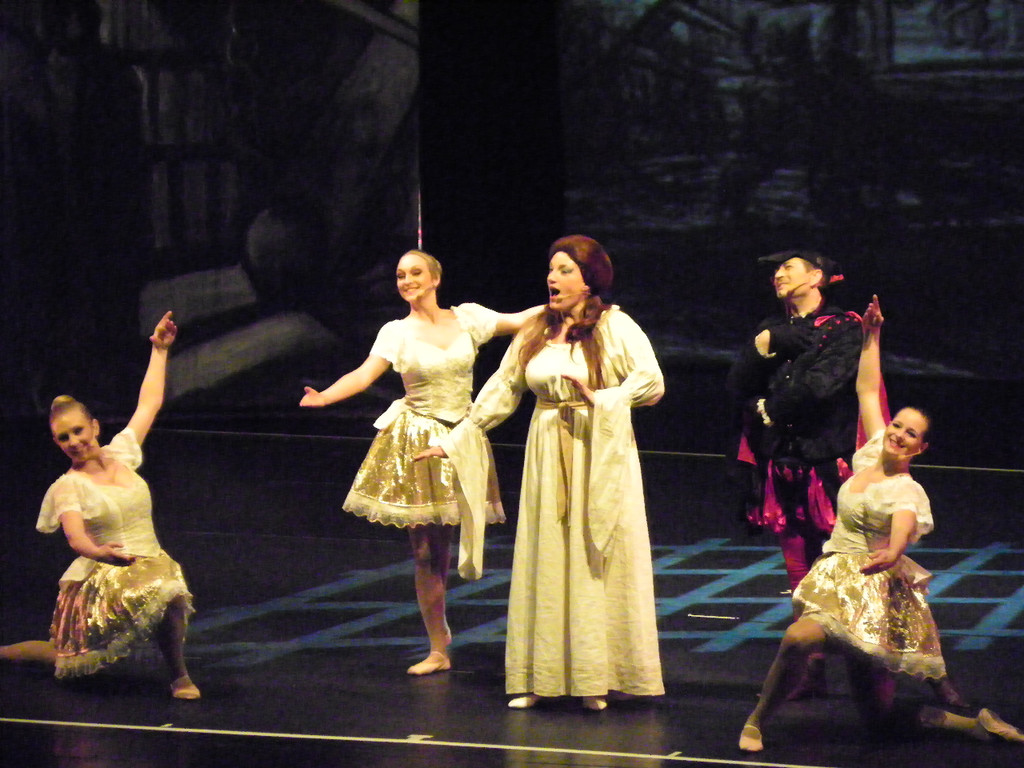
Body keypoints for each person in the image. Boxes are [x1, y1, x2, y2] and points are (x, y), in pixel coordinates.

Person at [737, 296, 1024, 752]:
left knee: (880, 719)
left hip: (873, 592)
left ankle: (974, 725)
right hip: (838, 578)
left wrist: (893, 550)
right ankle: (756, 723)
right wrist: (872, 335)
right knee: (797, 638)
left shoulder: (906, 491)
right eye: (898, 425)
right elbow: (868, 390)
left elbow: (903, 528)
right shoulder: (870, 452)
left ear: (920, 448)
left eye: (911, 433)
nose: (898, 433)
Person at [417, 235, 665, 711]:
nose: (553, 278)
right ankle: (542, 675)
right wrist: (455, 439)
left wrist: (604, 399)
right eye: (551, 269)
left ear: (589, 279)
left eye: (565, 270)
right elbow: (502, 389)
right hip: (547, 448)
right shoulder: (536, 328)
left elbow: (651, 381)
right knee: (546, 553)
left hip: (597, 447)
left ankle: (595, 677)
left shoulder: (615, 325)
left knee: (593, 555)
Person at [299, 249, 542, 676]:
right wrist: (325, 396)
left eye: (415, 273)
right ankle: (437, 645)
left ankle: (457, 631)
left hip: (461, 436)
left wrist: (571, 302)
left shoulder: (468, 318)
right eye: (400, 275)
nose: (407, 280)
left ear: (434, 279)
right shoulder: (395, 332)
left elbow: (520, 319)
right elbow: (364, 374)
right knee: (427, 550)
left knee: (451, 542)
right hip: (416, 439)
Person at [0, 312, 200, 700]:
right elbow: (76, 538)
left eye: (78, 431)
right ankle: (5, 652)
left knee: (171, 591)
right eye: (63, 438)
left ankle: (179, 676)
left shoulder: (121, 453)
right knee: (60, 658)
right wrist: (101, 553)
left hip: (150, 564)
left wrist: (160, 350)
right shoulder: (68, 487)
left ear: (94, 427)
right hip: (106, 579)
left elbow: (149, 403)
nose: (74, 441)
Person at [727, 249, 861, 699]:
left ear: (817, 276)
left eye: (789, 266)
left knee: (841, 564)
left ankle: (870, 664)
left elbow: (821, 384)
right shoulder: (772, 327)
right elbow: (737, 384)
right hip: (782, 461)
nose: (778, 274)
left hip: (825, 460)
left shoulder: (843, 327)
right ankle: (811, 665)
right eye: (776, 270)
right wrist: (764, 346)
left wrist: (768, 408)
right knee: (797, 567)